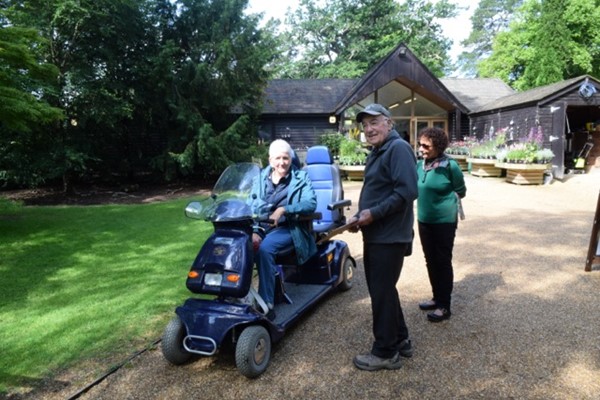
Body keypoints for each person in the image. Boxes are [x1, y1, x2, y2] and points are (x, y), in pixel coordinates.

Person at [348, 104, 418, 371]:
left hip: (388, 236)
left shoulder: (398, 148)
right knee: (385, 290)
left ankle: (385, 352)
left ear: (389, 123)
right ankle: (401, 340)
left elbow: (407, 192)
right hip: (377, 233)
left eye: (374, 122)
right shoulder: (379, 151)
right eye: (365, 125)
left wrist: (373, 214)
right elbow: (380, 191)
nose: (369, 129)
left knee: (381, 293)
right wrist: (361, 217)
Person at [249, 139, 317, 321]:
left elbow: (310, 203)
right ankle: (237, 296)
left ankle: (266, 304)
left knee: (265, 249)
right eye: (277, 158)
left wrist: (285, 209)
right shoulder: (260, 179)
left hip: (289, 228)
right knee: (235, 245)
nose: (282, 162)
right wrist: (254, 230)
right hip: (261, 226)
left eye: (285, 158)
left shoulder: (301, 177)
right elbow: (251, 204)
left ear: (291, 158)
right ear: (270, 160)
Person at [416, 127, 467, 322]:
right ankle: (436, 297)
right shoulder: (419, 164)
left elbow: (461, 190)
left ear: (438, 146)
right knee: (430, 260)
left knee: (442, 261)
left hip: (444, 221)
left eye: (426, 145)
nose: (421, 149)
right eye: (420, 144)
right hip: (424, 220)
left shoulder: (450, 166)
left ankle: (444, 306)